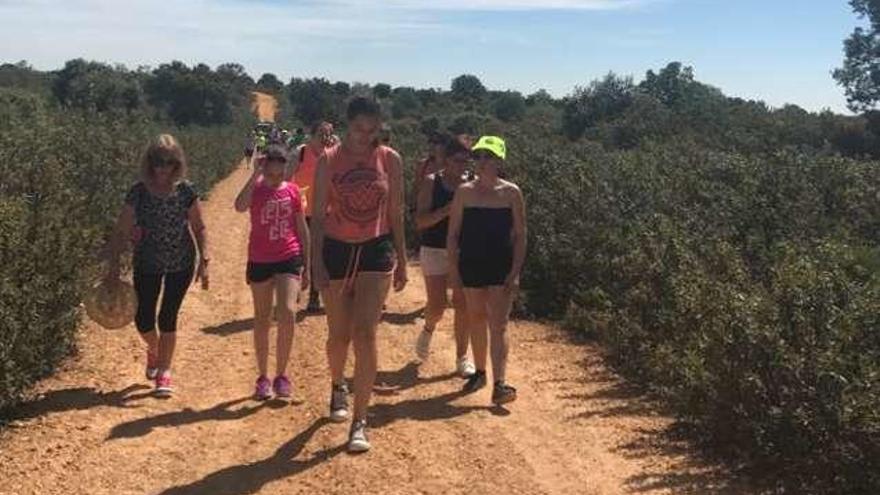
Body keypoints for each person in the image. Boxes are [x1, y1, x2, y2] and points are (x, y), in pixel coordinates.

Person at [311, 96, 407, 452]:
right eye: (357, 129)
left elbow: (396, 211)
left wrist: (401, 255)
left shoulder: (390, 159)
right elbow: (317, 217)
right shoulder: (328, 161)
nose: (364, 137)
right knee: (339, 336)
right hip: (336, 250)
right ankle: (338, 385)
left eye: (371, 130)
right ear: (346, 125)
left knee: (366, 334)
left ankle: (360, 421)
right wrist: (315, 262)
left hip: (376, 249)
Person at [106, 134, 209, 397]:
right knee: (142, 319)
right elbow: (120, 231)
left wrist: (204, 260)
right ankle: (154, 350)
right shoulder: (138, 192)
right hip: (147, 262)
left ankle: (164, 371)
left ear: (177, 163)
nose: (162, 167)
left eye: (169, 161)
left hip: (181, 262)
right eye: (157, 161)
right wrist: (113, 269)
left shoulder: (186, 190)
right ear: (148, 162)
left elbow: (198, 227)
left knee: (167, 317)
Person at [447, 136, 526, 406]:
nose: (481, 161)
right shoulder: (464, 192)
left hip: (500, 265)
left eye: (488, 156)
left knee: (499, 323)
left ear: (499, 160)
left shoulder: (512, 193)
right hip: (471, 264)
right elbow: (453, 234)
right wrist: (454, 271)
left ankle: (500, 383)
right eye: (479, 155)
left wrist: (515, 271)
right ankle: (480, 372)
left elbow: (520, 235)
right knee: (476, 318)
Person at [234, 144, 310, 400]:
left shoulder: (293, 191)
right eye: (271, 174)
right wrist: (254, 174)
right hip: (260, 259)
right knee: (262, 318)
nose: (276, 179)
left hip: (289, 256)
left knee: (288, 312)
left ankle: (281, 375)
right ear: (264, 167)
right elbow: (239, 206)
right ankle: (263, 377)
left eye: (280, 174)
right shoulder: (255, 189)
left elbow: (302, 229)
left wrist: (307, 265)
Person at [413, 135, 475, 378]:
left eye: (466, 161)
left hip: (463, 250)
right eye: (458, 160)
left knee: (463, 304)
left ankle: (462, 358)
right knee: (437, 305)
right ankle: (428, 328)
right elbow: (420, 221)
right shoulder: (431, 182)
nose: (463, 165)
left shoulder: (472, 183)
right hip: (434, 247)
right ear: (446, 160)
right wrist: (447, 210)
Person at [288, 121, 336, 312]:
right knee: (300, 254)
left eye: (328, 134)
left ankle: (315, 297)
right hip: (302, 214)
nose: (325, 138)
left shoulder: (334, 155)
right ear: (312, 134)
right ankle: (295, 288)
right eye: (321, 134)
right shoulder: (300, 154)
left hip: (326, 213)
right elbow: (285, 180)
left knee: (321, 254)